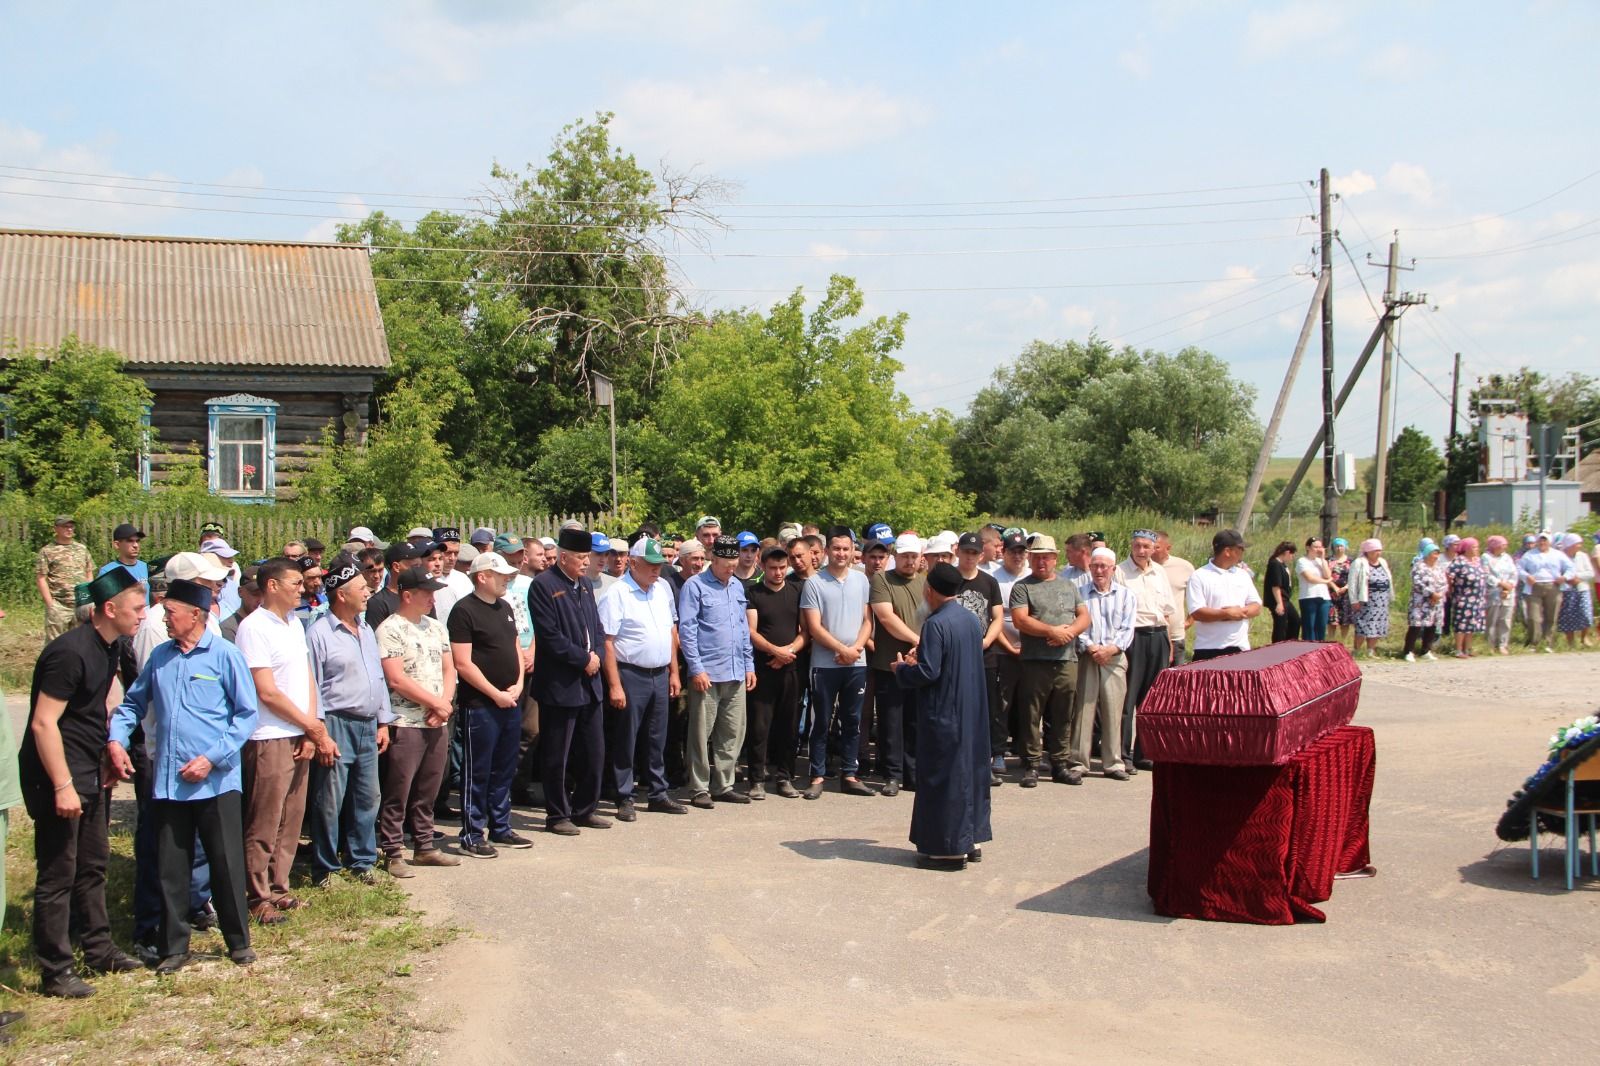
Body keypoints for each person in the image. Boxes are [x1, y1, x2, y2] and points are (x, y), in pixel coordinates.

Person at [106, 578, 258, 972]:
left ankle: (238, 940)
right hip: (170, 783)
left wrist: (211, 758)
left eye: (171, 612)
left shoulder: (225, 656)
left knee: (225, 864)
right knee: (171, 868)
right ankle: (174, 948)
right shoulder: (160, 657)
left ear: (197, 615)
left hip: (216, 781)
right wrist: (116, 740)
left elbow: (245, 716)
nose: (164, 619)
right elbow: (131, 705)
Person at [21, 568, 144, 997]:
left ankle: (98, 948)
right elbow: (42, 724)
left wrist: (110, 752)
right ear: (109, 609)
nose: (144, 615)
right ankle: (55, 970)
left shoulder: (111, 647)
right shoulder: (68, 653)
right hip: (56, 775)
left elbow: (96, 710)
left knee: (93, 863)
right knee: (58, 873)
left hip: (91, 770)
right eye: (137, 608)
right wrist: (61, 785)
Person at [236, 557, 330, 926]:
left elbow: (306, 675)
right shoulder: (254, 628)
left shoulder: (292, 622)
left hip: (299, 730)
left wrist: (310, 727)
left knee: (291, 818)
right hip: (270, 735)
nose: (302, 588)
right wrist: (309, 724)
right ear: (271, 585)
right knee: (265, 819)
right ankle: (257, 895)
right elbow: (266, 692)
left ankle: (279, 887)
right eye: (294, 582)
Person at [892, 562, 992, 871]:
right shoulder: (970, 619)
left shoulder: (935, 624)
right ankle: (971, 838)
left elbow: (929, 671)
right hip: (971, 708)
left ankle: (948, 849)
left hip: (945, 711)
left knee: (945, 776)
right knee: (970, 772)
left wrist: (903, 669)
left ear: (931, 591)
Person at [305, 558, 395, 885]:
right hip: (335, 723)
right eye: (362, 588)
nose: (369, 592)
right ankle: (326, 868)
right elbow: (312, 685)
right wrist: (319, 732)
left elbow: (377, 677)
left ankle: (362, 862)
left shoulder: (366, 629)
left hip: (368, 725)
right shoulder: (319, 634)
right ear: (341, 595)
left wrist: (383, 721)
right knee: (330, 800)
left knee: (368, 796)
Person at [375, 564, 462, 876]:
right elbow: (396, 679)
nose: (432, 599)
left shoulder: (436, 627)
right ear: (408, 594)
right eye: (427, 593)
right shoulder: (390, 629)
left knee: (429, 786)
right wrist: (435, 703)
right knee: (399, 788)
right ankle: (393, 850)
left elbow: (449, 669)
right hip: (406, 721)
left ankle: (424, 845)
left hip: (436, 720)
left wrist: (444, 703)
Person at [528, 527, 610, 835]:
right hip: (561, 684)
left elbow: (598, 629)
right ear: (563, 557)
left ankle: (585, 808)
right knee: (557, 753)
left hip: (591, 682)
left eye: (587, 557)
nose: (586, 563)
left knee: (594, 750)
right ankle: (557, 814)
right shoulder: (543, 586)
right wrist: (583, 659)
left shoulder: (585, 586)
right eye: (580, 557)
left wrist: (598, 655)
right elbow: (550, 637)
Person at [448, 549, 531, 854]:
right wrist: (494, 693)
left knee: (504, 768)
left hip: (510, 701)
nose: (506, 580)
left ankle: (501, 826)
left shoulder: (505, 607)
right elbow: (463, 662)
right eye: (500, 575)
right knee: (478, 769)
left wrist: (518, 684)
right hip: (482, 705)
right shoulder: (464, 611)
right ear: (482, 577)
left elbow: (515, 647)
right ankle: (472, 833)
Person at [598, 537, 685, 818]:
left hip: (659, 672)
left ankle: (658, 792)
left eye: (659, 564)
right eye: (649, 565)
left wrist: (674, 671)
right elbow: (607, 642)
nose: (656, 570)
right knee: (627, 737)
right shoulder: (618, 593)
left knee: (657, 736)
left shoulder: (662, 589)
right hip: (630, 673)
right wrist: (614, 685)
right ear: (633, 563)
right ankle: (624, 795)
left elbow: (671, 633)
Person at [679, 535, 757, 807]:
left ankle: (724, 784)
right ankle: (699, 787)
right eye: (726, 563)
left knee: (733, 732)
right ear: (714, 558)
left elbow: (743, 629)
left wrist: (749, 665)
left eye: (734, 563)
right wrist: (696, 668)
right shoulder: (695, 586)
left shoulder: (737, 586)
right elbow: (687, 630)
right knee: (701, 733)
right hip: (708, 673)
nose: (731, 568)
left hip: (736, 671)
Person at [1009, 533, 1091, 787]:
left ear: (1055, 559)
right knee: (1032, 713)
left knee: (1063, 713)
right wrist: (1051, 631)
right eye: (1036, 558)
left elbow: (1085, 616)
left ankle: (1060, 764)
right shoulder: (1022, 587)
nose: (1041, 562)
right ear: (1030, 560)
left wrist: (1070, 633)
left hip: (1066, 659)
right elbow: (1021, 619)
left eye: (1046, 557)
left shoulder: (1068, 586)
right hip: (1035, 660)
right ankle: (1032, 764)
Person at [800, 526, 875, 800]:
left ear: (853, 550)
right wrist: (841, 649)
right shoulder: (814, 583)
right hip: (825, 664)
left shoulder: (862, 581)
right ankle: (817, 775)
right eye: (836, 548)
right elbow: (814, 627)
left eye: (846, 548)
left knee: (853, 720)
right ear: (827, 550)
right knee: (821, 721)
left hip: (856, 662)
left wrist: (854, 649)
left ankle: (849, 774)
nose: (841, 554)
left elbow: (868, 621)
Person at [1067, 548, 1136, 784]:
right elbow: (1075, 625)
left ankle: (1113, 762)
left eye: (1104, 566)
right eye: (1095, 566)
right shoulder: (1079, 593)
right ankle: (1078, 761)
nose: (1098, 571)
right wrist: (1091, 647)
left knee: (1113, 710)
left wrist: (1111, 649)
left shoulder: (1126, 595)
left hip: (1114, 657)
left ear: (1113, 569)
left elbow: (1128, 629)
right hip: (1088, 655)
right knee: (1084, 709)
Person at [745, 544, 807, 800]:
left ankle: (785, 777)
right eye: (773, 568)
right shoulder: (753, 593)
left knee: (789, 726)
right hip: (764, 669)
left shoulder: (797, 591)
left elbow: (806, 630)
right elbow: (750, 631)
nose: (779, 572)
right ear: (762, 566)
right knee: (760, 727)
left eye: (783, 567)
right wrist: (774, 651)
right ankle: (757, 779)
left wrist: (788, 652)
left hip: (791, 668)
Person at [869, 533, 927, 796]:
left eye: (913, 556)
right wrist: (917, 639)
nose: (909, 561)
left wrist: (922, 646)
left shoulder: (927, 583)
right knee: (891, 721)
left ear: (920, 558)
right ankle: (892, 775)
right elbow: (886, 617)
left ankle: (913, 774)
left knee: (916, 721)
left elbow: (934, 617)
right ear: (896, 557)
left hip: (920, 663)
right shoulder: (882, 580)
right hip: (889, 663)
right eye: (904, 556)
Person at [1115, 529, 1174, 772]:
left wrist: (1168, 644)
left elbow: (1167, 611)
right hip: (1134, 637)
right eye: (1137, 546)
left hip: (1158, 634)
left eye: (1146, 547)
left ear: (1154, 548)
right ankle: (1123, 754)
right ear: (1131, 546)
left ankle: (1144, 752)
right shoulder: (1120, 571)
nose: (1141, 551)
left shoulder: (1159, 572)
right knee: (1128, 698)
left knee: (1151, 699)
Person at [951, 533, 1004, 786]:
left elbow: (997, 618)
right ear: (958, 552)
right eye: (966, 552)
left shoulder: (989, 582)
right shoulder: (948, 580)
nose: (970, 557)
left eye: (975, 553)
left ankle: (985, 764)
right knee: (956, 712)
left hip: (984, 656)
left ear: (981, 555)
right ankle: (958, 765)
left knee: (985, 712)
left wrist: (985, 641)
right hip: (953, 656)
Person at [1185, 529, 1264, 661]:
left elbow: (1256, 606)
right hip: (1208, 649)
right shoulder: (1199, 576)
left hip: (1240, 647)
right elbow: (1197, 612)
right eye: (1240, 549)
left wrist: (1239, 612)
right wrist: (1227, 614)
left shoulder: (1242, 575)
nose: (1242, 553)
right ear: (1227, 551)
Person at [990, 531, 1030, 775]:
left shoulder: (1032, 577)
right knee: (1000, 706)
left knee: (1029, 706)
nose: (1018, 556)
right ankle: (998, 753)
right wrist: (1008, 646)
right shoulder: (993, 578)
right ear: (1003, 551)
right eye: (1013, 551)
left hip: (1030, 651)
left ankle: (1029, 754)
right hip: (1002, 650)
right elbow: (993, 618)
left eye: (1021, 551)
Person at [36, 515, 95, 642]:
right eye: (65, 526)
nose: (69, 529)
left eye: (71, 526)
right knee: (55, 645)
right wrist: (50, 604)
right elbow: (41, 578)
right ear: (56, 528)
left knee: (81, 642)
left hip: (80, 605)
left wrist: (89, 599)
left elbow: (89, 573)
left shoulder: (82, 549)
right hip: (59, 606)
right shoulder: (47, 551)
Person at [1519, 531, 1572, 652]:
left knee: (1551, 616)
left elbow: (1570, 567)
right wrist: (1526, 576)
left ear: (1549, 542)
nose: (1542, 543)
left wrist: (1565, 577)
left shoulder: (1558, 554)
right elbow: (1519, 568)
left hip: (1553, 586)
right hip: (1534, 587)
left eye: (1545, 540)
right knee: (1534, 617)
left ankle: (1548, 643)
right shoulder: (1529, 555)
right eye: (1540, 540)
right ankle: (1534, 643)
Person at [1153, 531, 1195, 665]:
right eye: (1150, 546)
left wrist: (1189, 621)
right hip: (1149, 635)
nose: (1152, 551)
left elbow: (1196, 597)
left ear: (1168, 548)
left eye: (1157, 547)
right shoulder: (1140, 568)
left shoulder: (1184, 567)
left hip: (1176, 636)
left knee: (1177, 680)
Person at [1347, 539, 1394, 658]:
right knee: (1363, 625)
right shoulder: (1359, 563)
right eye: (1374, 550)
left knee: (1377, 625)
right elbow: (1352, 582)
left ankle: (1370, 650)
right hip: (1366, 600)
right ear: (1367, 551)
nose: (1378, 553)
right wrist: (1354, 600)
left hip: (1381, 600)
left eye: (1379, 550)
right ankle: (1357, 650)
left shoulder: (1382, 562)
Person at [1404, 539, 1447, 662]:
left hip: (1436, 601)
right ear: (1427, 554)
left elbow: (1444, 583)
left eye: (1438, 553)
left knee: (1432, 626)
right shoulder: (1419, 566)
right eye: (1434, 553)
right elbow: (1417, 582)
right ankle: (1408, 651)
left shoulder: (1439, 568)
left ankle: (1426, 650)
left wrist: (1438, 595)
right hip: (1420, 601)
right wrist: (1431, 594)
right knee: (1416, 626)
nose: (1436, 556)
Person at [1446, 538, 1489, 658]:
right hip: (1463, 597)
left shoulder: (1477, 560)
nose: (1477, 549)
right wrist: (1451, 589)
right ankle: (1459, 649)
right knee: (1461, 624)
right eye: (1474, 547)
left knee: (1472, 624)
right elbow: (1449, 575)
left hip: (1477, 598)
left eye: (1477, 547)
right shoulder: (1459, 561)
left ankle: (1468, 648)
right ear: (1466, 549)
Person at [1481, 535, 1518, 655]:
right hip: (1493, 592)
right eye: (1502, 545)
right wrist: (1501, 584)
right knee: (1492, 620)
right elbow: (1486, 575)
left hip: (1508, 592)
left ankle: (1503, 644)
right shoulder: (1486, 557)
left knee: (1505, 620)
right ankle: (1490, 645)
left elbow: (1514, 573)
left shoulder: (1507, 557)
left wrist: (1509, 586)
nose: (1504, 548)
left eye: (1505, 545)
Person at [1557, 532, 1595, 648]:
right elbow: (1557, 572)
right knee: (1568, 615)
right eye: (1577, 544)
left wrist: (1577, 577)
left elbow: (1590, 572)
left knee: (1585, 614)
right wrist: (1568, 578)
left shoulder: (1582, 556)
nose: (1579, 546)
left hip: (1582, 588)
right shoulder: (1560, 556)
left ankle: (1584, 638)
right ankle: (1570, 642)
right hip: (1567, 589)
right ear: (1570, 544)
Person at [1296, 537, 1335, 642]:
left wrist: (1323, 559)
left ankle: (1319, 648)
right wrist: (1326, 582)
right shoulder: (1302, 561)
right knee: (1309, 626)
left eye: (1320, 547)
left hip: (1324, 596)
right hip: (1309, 596)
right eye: (1315, 547)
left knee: (1321, 626)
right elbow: (1310, 578)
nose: (1318, 549)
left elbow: (1328, 575)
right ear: (1308, 547)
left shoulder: (1321, 561)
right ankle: (1308, 649)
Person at [99, 523, 151, 602]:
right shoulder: (107, 572)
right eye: (130, 541)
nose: (135, 545)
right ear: (117, 545)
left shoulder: (146, 568)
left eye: (137, 541)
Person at [1264, 541, 1299, 643]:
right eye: (1292, 554)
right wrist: (1279, 603)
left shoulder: (1282, 565)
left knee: (1295, 620)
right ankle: (1278, 647)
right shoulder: (1275, 564)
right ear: (1287, 552)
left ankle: (1290, 644)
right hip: (1279, 599)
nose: (1292, 557)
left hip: (1285, 599)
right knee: (1280, 626)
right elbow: (1275, 585)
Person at [221, 565, 261, 643]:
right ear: (240, 592)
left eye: (264, 594)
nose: (260, 600)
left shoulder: (271, 623)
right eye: (255, 594)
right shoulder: (229, 627)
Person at [1327, 538, 1354, 645]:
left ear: (1345, 547)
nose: (1339, 548)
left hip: (1346, 594)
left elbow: (1354, 577)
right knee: (1332, 620)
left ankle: (1343, 642)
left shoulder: (1351, 561)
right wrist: (1334, 587)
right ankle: (1330, 642)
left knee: (1345, 620)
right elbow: (1326, 576)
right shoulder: (1328, 560)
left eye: (1341, 546)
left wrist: (1346, 587)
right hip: (1332, 593)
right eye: (1337, 546)